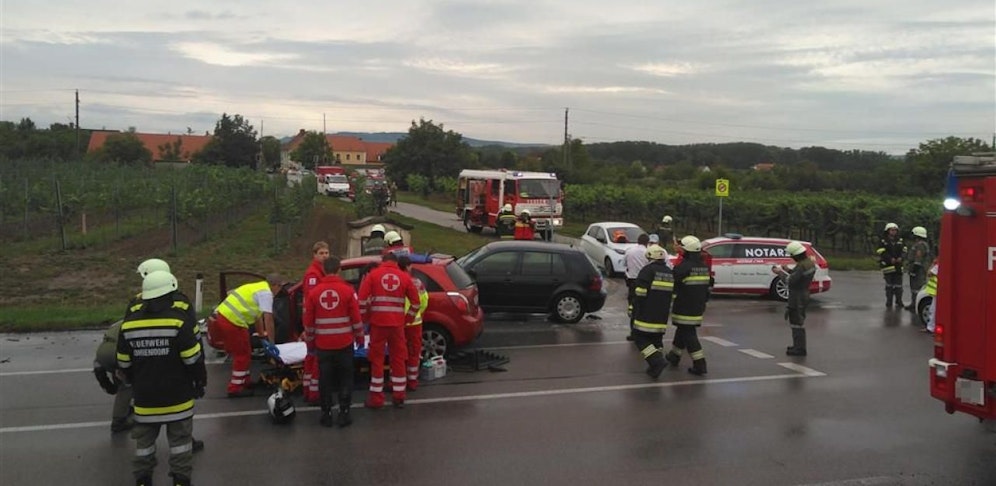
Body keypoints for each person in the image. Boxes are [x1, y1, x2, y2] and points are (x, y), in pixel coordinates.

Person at [117, 271, 206, 486]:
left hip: (145, 399)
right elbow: (193, 360)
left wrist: (135, 382)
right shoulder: (179, 321)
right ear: (169, 293)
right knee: (180, 443)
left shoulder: (128, 325)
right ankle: (180, 480)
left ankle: (143, 480)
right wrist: (199, 383)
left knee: (144, 444)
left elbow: (123, 363)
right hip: (178, 396)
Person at [303, 256, 364, 428]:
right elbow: (356, 318)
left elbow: (309, 322)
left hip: (323, 345)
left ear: (325, 270)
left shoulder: (314, 293)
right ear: (338, 270)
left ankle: (326, 414)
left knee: (325, 380)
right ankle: (344, 413)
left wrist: (310, 344)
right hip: (344, 344)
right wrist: (359, 337)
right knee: (345, 378)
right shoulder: (348, 290)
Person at [358, 252, 422, 409]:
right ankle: (399, 396)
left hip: (378, 324)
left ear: (383, 261)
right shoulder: (405, 277)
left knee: (377, 359)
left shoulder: (373, 276)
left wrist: (366, 318)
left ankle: (376, 398)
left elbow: (361, 300)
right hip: (397, 325)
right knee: (398, 359)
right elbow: (416, 303)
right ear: (395, 262)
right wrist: (407, 320)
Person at [211, 274, 283, 398]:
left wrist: (261, 336)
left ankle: (245, 380)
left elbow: (257, 316)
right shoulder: (266, 294)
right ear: (276, 285)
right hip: (232, 321)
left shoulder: (257, 288)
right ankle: (235, 388)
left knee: (245, 351)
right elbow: (268, 319)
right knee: (242, 354)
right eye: (280, 288)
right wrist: (271, 342)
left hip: (225, 317)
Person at [665, 235, 713, 375]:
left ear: (687, 251)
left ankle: (700, 364)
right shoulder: (703, 267)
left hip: (684, 306)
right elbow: (708, 288)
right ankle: (674, 356)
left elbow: (672, 285)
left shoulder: (683, 267)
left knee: (689, 334)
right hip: (697, 307)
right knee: (683, 330)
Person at [631, 244, 674, 379]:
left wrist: (634, 308)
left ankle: (657, 361)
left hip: (646, 313)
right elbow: (672, 295)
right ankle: (655, 367)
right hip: (662, 315)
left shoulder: (647, 270)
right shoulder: (669, 272)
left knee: (639, 338)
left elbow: (640, 292)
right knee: (656, 340)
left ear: (649, 257)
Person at [773, 241, 816, 356]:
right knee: (798, 321)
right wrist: (787, 270)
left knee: (796, 322)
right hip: (803, 294)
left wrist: (779, 273)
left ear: (796, 255)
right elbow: (798, 276)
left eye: (791, 255)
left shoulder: (802, 265)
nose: (791, 257)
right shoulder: (808, 263)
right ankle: (798, 346)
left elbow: (790, 281)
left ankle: (799, 349)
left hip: (797, 296)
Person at [301, 241, 331, 405]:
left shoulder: (321, 272)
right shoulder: (313, 275)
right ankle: (314, 393)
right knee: (317, 359)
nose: (325, 256)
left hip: (315, 322)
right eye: (321, 253)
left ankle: (308, 389)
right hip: (315, 322)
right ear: (314, 255)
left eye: (326, 253)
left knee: (312, 357)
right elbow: (312, 301)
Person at [93, 320, 135, 433]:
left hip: (102, 351)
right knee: (128, 384)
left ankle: (124, 406)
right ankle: (119, 421)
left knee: (120, 376)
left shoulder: (119, 323)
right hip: (116, 352)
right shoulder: (136, 322)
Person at [398, 256, 429, 391]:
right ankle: (412, 381)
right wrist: (418, 314)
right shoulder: (416, 282)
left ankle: (398, 381)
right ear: (408, 266)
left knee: (398, 354)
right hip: (415, 323)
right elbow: (424, 300)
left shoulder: (396, 281)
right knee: (414, 353)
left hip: (398, 324)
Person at [623, 233, 653, 342]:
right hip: (645, 282)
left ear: (638, 241)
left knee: (633, 306)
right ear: (647, 242)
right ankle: (644, 332)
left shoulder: (630, 251)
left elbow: (624, 264)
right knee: (644, 307)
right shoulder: (648, 252)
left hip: (632, 282)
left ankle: (633, 333)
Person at [876, 222, 907, 308]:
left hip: (898, 266)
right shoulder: (883, 241)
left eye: (895, 230)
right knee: (889, 285)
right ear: (888, 231)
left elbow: (904, 250)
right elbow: (880, 251)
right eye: (892, 230)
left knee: (899, 286)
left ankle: (899, 301)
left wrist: (901, 257)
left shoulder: (900, 240)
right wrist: (890, 259)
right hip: (888, 266)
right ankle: (889, 301)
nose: (894, 232)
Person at [905, 226, 931, 310]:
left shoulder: (921, 245)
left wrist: (914, 269)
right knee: (913, 287)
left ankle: (916, 305)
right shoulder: (918, 244)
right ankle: (914, 303)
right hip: (915, 268)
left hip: (919, 270)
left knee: (918, 287)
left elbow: (918, 258)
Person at [922, 257, 939, 333]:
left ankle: (931, 328)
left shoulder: (937, 266)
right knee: (933, 309)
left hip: (936, 291)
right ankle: (931, 327)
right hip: (938, 291)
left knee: (933, 310)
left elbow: (929, 273)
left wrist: (932, 264)